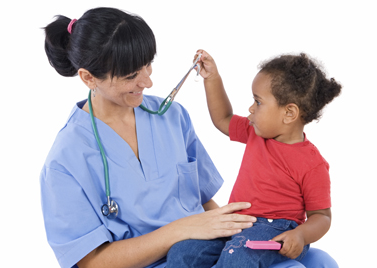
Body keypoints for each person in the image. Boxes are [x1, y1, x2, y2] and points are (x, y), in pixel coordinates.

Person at [40, 7, 339, 268]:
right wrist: (181, 230)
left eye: (148, 65)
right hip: (151, 260)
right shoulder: (66, 160)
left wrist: (232, 231)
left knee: (320, 262)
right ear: (88, 78)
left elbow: (203, 199)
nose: (148, 81)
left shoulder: (171, 116)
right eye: (132, 76)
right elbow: (93, 261)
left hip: (203, 244)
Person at [167, 50, 341, 268]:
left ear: (289, 113)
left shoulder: (312, 164)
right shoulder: (254, 133)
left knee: (236, 257)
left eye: (258, 102)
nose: (250, 108)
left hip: (277, 231)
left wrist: (301, 236)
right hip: (236, 224)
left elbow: (322, 216)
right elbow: (223, 118)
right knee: (183, 252)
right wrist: (212, 78)